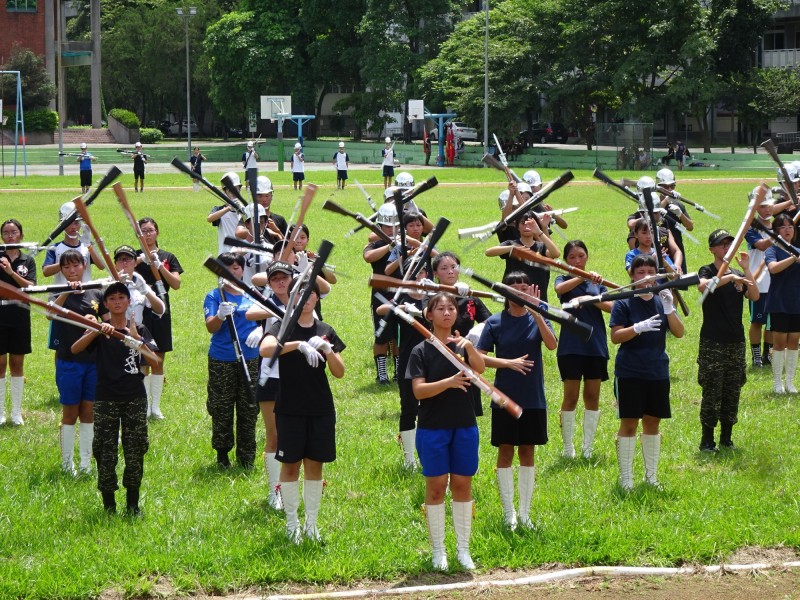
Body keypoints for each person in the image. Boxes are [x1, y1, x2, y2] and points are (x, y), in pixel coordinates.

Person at [261, 279, 346, 543]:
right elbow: (265, 349)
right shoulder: (283, 326)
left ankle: (311, 524)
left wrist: (328, 349)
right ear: (292, 297)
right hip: (289, 407)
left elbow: (339, 372)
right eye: (300, 293)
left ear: (317, 299)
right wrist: (296, 345)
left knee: (314, 467)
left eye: (311, 294)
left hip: (320, 407)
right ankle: (291, 524)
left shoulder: (325, 329)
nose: (306, 297)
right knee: (290, 467)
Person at [408, 292, 484, 570]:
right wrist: (449, 382)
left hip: (464, 425)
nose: (446, 312)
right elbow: (419, 390)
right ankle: (438, 551)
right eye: (440, 309)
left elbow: (480, 370)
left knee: (463, 485)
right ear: (429, 315)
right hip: (432, 428)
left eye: (451, 308)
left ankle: (463, 550)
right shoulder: (421, 350)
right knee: (437, 488)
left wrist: (471, 348)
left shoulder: (462, 345)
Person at [477, 273, 557, 531]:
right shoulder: (494, 322)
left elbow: (552, 344)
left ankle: (524, 513)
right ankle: (508, 513)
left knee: (527, 452)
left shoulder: (538, 318)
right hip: (504, 397)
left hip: (533, 397)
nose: (521, 293)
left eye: (525, 288)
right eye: (515, 289)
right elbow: (478, 360)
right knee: (506, 451)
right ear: (505, 293)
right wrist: (507, 363)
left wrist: (537, 313)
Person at [71, 281, 158, 515]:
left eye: (122, 297)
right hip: (105, 398)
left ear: (129, 301)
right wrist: (96, 331)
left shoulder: (139, 328)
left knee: (135, 448)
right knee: (105, 450)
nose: (117, 302)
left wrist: (134, 338)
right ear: (106, 304)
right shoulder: (101, 330)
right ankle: (109, 505)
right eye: (112, 298)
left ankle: (133, 504)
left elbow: (155, 361)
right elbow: (75, 350)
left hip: (134, 397)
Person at [610, 254, 684, 490]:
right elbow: (615, 337)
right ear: (632, 276)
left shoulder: (661, 299)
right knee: (629, 423)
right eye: (640, 272)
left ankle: (651, 477)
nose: (645, 277)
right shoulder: (623, 302)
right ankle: (626, 479)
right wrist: (637, 328)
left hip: (657, 370)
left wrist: (669, 307)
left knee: (653, 422)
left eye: (650, 272)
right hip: (630, 370)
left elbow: (679, 332)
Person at [697, 229, 758, 451]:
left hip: (736, 340)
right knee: (712, 390)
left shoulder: (736, 272)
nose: (726, 248)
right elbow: (703, 287)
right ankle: (707, 439)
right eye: (721, 244)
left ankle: (726, 438)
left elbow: (754, 295)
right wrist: (730, 278)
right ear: (712, 249)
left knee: (733, 389)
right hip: (713, 341)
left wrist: (746, 270)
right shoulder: (707, 270)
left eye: (729, 244)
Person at [51, 250, 108, 475]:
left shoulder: (96, 292)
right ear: (62, 271)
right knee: (69, 413)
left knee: (89, 412)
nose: (72, 270)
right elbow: (50, 313)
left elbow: (107, 320)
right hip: (69, 361)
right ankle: (67, 464)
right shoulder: (57, 291)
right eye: (66, 267)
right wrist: (65, 292)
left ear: (84, 266)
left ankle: (85, 462)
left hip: (93, 361)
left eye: (75, 265)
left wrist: (97, 322)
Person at [553, 241, 611, 460]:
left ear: (587, 256)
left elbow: (612, 306)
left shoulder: (598, 283)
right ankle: (568, 447)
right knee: (570, 397)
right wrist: (583, 277)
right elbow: (560, 291)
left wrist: (591, 298)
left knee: (592, 396)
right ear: (567, 261)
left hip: (595, 345)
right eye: (572, 257)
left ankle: (587, 447)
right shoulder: (563, 279)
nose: (577, 261)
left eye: (581, 256)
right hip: (571, 346)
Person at [203, 253, 261, 469]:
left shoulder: (252, 294)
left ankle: (247, 457)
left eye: (236, 267)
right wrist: (219, 315)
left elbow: (268, 318)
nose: (232, 272)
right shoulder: (214, 296)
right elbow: (210, 327)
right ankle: (222, 453)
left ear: (242, 270)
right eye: (227, 268)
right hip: (222, 359)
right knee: (222, 407)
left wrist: (261, 331)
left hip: (250, 358)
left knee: (248, 407)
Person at [246, 261, 292, 509]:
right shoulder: (267, 302)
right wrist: (274, 311)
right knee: (273, 436)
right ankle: (274, 491)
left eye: (284, 277)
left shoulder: (303, 301)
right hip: (270, 375)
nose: (280, 282)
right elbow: (250, 314)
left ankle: (290, 486)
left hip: (296, 377)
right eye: (275, 279)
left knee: (293, 437)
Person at [376, 262, 430, 470]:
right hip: (408, 359)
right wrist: (399, 308)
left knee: (431, 409)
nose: (418, 276)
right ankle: (409, 459)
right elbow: (381, 309)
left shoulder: (433, 296)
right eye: (413, 273)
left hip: (433, 359)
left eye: (422, 272)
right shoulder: (402, 296)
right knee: (409, 408)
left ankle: (427, 453)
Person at [134, 217, 183, 420]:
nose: (147, 234)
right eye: (143, 231)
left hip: (161, 310)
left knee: (159, 358)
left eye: (150, 230)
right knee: (143, 359)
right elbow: (120, 276)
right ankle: (144, 406)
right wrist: (139, 261)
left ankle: (156, 406)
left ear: (157, 232)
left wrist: (159, 265)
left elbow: (176, 283)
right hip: (139, 312)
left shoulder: (168, 257)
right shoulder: (133, 256)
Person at [0, 219, 36, 425]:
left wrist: (11, 273)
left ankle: (15, 412)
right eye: (6, 232)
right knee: (0, 363)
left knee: (16, 363)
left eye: (14, 232)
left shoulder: (27, 261)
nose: (10, 236)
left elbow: (30, 286)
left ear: (21, 235)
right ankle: (0, 412)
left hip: (20, 315)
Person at [485, 205, 559, 302]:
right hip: (513, 296)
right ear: (517, 227)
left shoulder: (541, 246)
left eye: (530, 224)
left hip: (537, 297)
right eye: (523, 223)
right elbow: (488, 252)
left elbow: (555, 254)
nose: (527, 227)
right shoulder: (511, 244)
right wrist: (512, 248)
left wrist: (540, 231)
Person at [363, 204, 400, 385]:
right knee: (382, 334)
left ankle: (398, 370)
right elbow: (369, 257)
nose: (392, 230)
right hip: (381, 295)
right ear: (379, 227)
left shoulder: (404, 242)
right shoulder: (374, 244)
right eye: (387, 227)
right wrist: (389, 246)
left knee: (398, 334)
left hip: (400, 294)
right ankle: (382, 373)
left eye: (395, 226)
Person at [764, 213, 800, 394]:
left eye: (790, 227)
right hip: (779, 302)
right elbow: (773, 268)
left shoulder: (797, 248)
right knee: (779, 343)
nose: (788, 230)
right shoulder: (772, 250)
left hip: (797, 301)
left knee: (794, 342)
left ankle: (790, 383)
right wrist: (793, 258)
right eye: (784, 227)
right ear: (777, 231)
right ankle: (777, 383)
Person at [745, 187, 775, 367]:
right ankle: (756, 355)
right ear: (755, 208)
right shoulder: (750, 227)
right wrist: (777, 235)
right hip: (758, 282)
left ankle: (767, 354)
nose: (767, 209)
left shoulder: (779, 225)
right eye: (762, 206)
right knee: (757, 321)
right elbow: (762, 245)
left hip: (776, 281)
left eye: (769, 206)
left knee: (772, 322)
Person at [113, 245, 165, 327]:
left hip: (137, 333)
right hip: (114, 333)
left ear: (135, 263)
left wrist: (145, 291)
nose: (124, 262)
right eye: (120, 259)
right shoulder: (107, 285)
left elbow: (160, 310)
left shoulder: (140, 284)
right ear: (115, 264)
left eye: (128, 259)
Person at [655, 168, 694, 275]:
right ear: (658, 187)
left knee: (676, 281)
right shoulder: (653, 203)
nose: (670, 189)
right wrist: (666, 201)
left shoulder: (678, 205)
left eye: (672, 186)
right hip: (657, 248)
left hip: (675, 248)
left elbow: (690, 227)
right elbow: (651, 216)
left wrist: (680, 214)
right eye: (666, 187)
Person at [207, 172, 244, 254]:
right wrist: (228, 208)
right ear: (224, 191)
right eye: (229, 189)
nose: (233, 192)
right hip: (225, 254)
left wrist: (241, 208)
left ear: (239, 189)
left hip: (242, 254)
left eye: (236, 189)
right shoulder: (220, 209)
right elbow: (209, 218)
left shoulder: (245, 208)